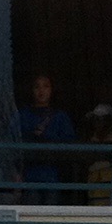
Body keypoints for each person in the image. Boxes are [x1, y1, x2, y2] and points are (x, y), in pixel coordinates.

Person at [13, 73, 76, 202]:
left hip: (53, 177)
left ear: (52, 90)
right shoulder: (22, 116)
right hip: (29, 177)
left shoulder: (60, 117)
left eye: (46, 86)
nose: (41, 91)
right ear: (31, 90)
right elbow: (12, 142)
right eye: (37, 87)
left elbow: (69, 145)